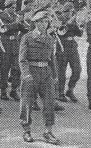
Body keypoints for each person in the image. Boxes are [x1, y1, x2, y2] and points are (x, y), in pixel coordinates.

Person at [19, 9, 60, 145]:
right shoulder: (27, 37)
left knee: (49, 103)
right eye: (41, 22)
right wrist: (26, 74)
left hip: (46, 73)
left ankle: (48, 131)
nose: (44, 24)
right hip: (31, 72)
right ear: (35, 23)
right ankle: (26, 130)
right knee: (27, 103)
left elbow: (52, 59)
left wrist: (54, 75)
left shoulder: (50, 39)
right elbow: (22, 59)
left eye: (46, 22)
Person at [0, 0, 29, 101]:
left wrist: (23, 25)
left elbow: (24, 29)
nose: (14, 9)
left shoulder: (15, 16)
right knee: (4, 68)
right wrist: (16, 24)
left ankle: (14, 90)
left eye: (15, 7)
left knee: (17, 68)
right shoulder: (1, 15)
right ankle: (3, 90)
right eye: (12, 7)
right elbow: (3, 28)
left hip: (15, 44)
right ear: (7, 7)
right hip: (5, 43)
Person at [56, 2, 83, 103]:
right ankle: (60, 93)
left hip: (72, 48)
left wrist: (80, 27)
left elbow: (79, 34)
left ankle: (70, 89)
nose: (71, 14)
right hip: (62, 47)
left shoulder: (73, 20)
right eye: (70, 12)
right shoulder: (59, 18)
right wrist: (70, 23)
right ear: (65, 11)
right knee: (61, 72)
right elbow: (60, 31)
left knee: (77, 70)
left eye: (72, 12)